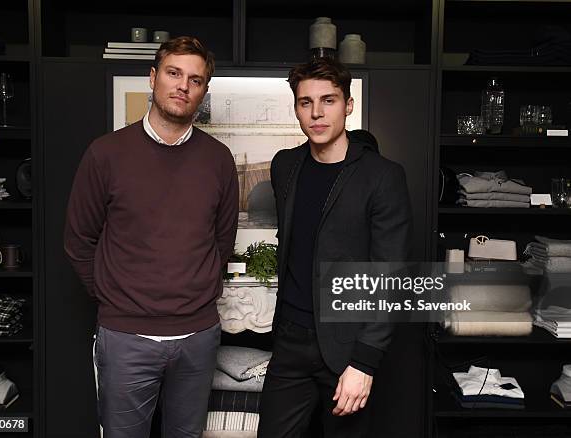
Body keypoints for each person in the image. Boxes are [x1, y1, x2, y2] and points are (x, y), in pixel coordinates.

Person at [64, 36, 239, 438]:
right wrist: (116, 297)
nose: (183, 85)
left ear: (203, 92)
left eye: (195, 80)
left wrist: (200, 288)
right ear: (153, 77)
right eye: (174, 73)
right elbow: (78, 241)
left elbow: (222, 240)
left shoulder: (217, 159)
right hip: (125, 338)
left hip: (198, 336)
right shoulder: (105, 153)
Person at [257, 58, 412, 437]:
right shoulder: (284, 166)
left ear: (348, 105)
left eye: (328, 100)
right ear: (295, 108)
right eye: (305, 102)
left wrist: (365, 363)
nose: (317, 112)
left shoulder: (382, 176)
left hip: (348, 347)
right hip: (290, 339)